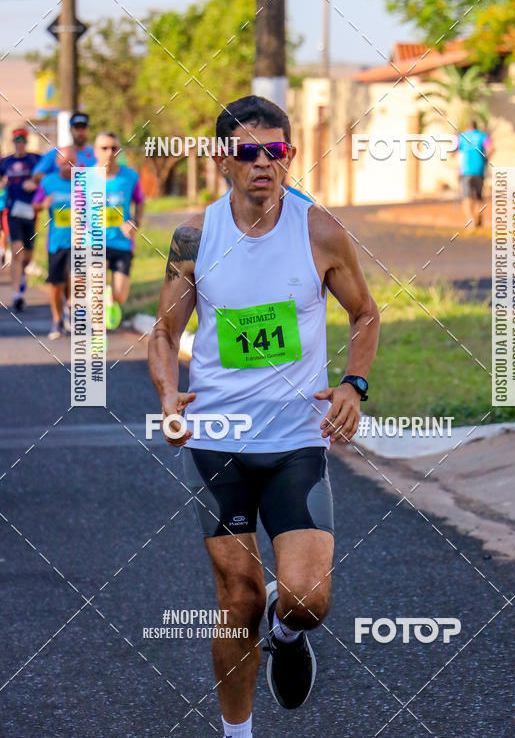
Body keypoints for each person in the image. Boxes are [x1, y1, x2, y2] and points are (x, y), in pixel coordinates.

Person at [148, 95, 380, 738]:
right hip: (218, 441)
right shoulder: (196, 239)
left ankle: (287, 630)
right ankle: (238, 732)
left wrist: (353, 385)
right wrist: (169, 396)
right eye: (247, 151)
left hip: (296, 442)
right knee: (237, 600)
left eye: (274, 151)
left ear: (291, 156)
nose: (262, 164)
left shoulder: (320, 230)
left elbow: (365, 314)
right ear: (224, 159)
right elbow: (165, 336)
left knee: (308, 601)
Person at [93, 132, 144, 328]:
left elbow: (140, 202)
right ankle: (97, 330)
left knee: (120, 295)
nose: (109, 152)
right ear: (96, 151)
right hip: (94, 242)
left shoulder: (130, 176)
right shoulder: (86, 177)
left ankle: (109, 301)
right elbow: (77, 209)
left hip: (121, 242)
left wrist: (134, 222)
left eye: (114, 148)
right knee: (96, 288)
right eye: (104, 148)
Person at [32, 146, 77, 339]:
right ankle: (57, 320)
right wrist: (43, 204)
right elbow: (35, 205)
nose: (68, 166)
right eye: (65, 162)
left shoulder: (83, 182)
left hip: (78, 241)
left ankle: (72, 310)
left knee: (75, 277)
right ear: (58, 163)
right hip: (56, 242)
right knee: (56, 284)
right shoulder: (48, 182)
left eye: (72, 162)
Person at [0, 127, 41, 310]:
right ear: (13, 143)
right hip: (13, 211)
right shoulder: (6, 162)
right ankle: (17, 295)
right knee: (17, 249)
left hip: (31, 211)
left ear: (27, 141)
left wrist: (35, 182)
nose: (20, 144)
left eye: (23, 140)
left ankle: (23, 273)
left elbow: (47, 172)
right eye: (17, 141)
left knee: (28, 254)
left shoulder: (34, 159)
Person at [32, 111, 95, 183]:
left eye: (83, 128)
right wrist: (59, 181)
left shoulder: (98, 154)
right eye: (77, 128)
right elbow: (36, 175)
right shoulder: (57, 153)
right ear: (71, 130)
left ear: (88, 129)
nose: (80, 132)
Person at [454, 120, 493, 228]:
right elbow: (491, 148)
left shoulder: (461, 136)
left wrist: (452, 159)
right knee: (478, 196)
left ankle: (471, 220)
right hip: (479, 170)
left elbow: (453, 150)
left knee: (466, 196)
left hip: (465, 170)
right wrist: (485, 158)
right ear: (476, 127)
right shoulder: (482, 136)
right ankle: (478, 214)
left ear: (467, 127)